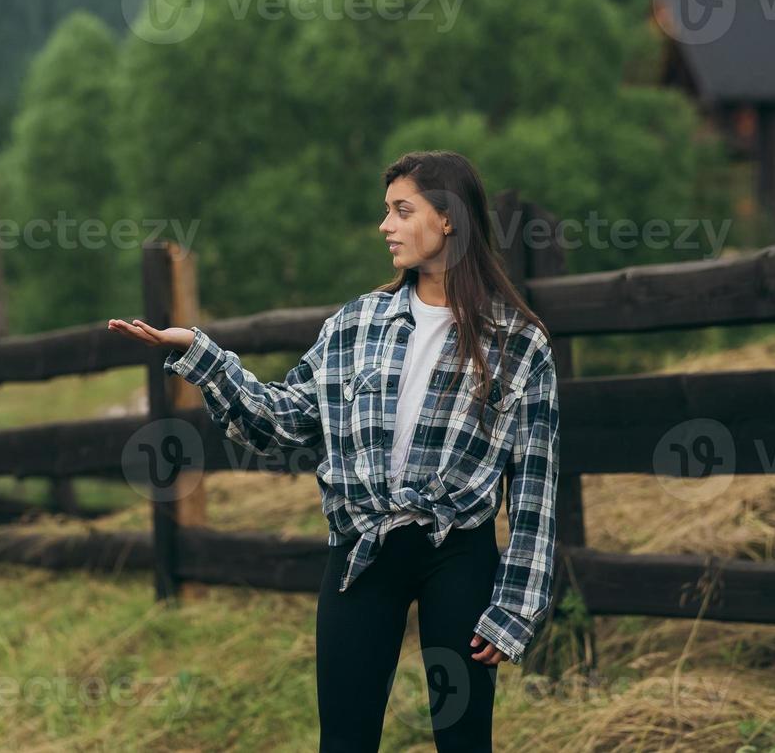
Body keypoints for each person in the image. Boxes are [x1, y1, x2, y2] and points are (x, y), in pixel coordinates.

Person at [108, 150, 561, 752]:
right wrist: (201, 354)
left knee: (463, 740)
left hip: (458, 555)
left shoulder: (518, 344)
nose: (386, 226)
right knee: (344, 741)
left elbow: (535, 486)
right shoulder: (354, 324)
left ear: (449, 219)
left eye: (403, 211)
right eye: (386, 211)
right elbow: (280, 424)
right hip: (360, 550)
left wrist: (516, 608)